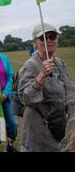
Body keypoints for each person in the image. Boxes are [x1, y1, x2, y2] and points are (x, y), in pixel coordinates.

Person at [18, 23, 75, 152]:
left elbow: (70, 93)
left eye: (52, 37)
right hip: (39, 132)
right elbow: (26, 99)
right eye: (43, 38)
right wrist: (41, 76)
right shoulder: (31, 65)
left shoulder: (59, 63)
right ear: (35, 42)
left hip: (61, 128)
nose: (49, 40)